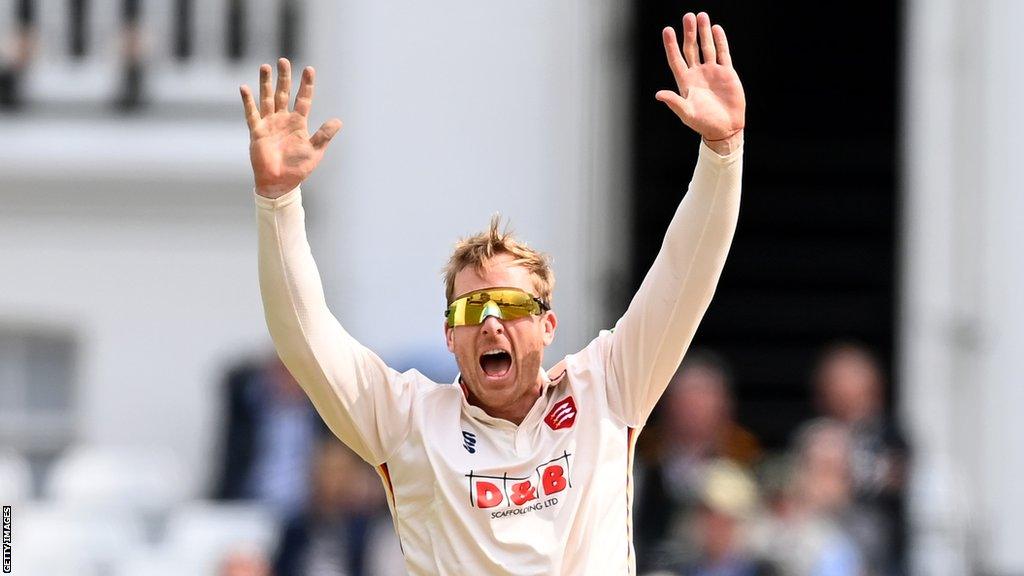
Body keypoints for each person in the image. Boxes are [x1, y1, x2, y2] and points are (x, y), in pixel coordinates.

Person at [240, 11, 745, 575]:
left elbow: (684, 277)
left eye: (510, 306)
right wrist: (278, 203)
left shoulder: (608, 386)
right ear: (449, 337)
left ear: (548, 326)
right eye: (471, 309)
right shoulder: (409, 421)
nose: (490, 323)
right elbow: (304, 335)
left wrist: (722, 154)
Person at [635, 350, 762, 571]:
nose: (694, 407)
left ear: (724, 404)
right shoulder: (641, 466)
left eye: (704, 396)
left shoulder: (746, 461)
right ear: (667, 403)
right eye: (686, 397)